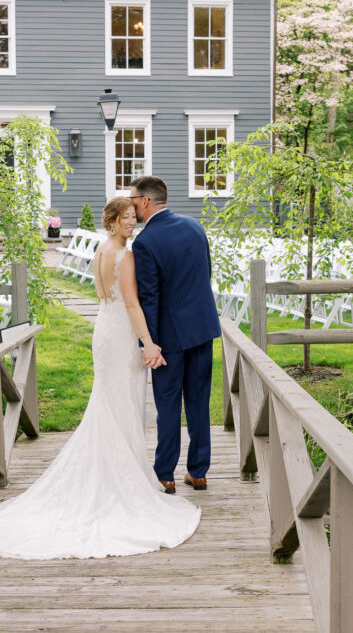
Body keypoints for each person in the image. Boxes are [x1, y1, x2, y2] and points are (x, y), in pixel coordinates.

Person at [0, 196, 200, 560]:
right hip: (120, 335)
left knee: (111, 402)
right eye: (127, 218)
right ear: (113, 222)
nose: (133, 223)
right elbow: (132, 304)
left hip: (104, 330)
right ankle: (122, 484)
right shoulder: (125, 255)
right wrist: (149, 343)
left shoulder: (102, 251)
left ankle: (116, 472)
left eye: (135, 217)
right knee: (123, 405)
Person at [129, 176, 221, 495]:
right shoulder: (195, 226)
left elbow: (149, 298)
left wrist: (149, 343)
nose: (131, 206)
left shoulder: (144, 242)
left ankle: (166, 473)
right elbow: (205, 273)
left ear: (146, 202)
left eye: (133, 200)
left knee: (168, 405)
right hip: (203, 328)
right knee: (199, 402)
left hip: (169, 337)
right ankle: (198, 472)